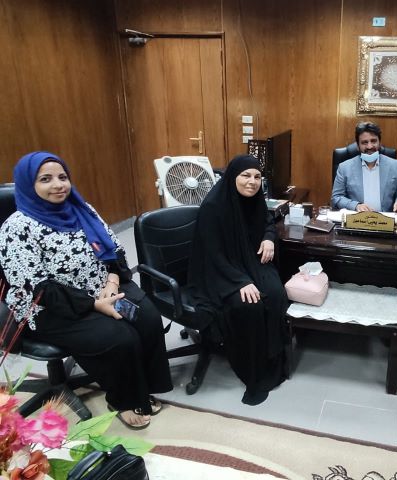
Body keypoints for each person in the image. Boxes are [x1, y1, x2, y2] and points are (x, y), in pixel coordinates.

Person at [0, 151, 172, 429]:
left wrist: (112, 282)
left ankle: (144, 388)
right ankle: (124, 400)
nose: (58, 185)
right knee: (120, 337)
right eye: (45, 179)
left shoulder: (82, 209)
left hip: (102, 285)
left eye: (62, 177)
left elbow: (113, 249)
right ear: (28, 185)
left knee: (148, 318)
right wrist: (94, 304)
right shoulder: (16, 228)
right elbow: (36, 287)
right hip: (49, 306)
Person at [188, 154, 288, 406]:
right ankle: (253, 373)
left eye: (257, 177)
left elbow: (267, 221)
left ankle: (273, 361)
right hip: (221, 271)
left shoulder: (255, 199)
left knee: (276, 294)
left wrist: (268, 238)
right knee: (250, 305)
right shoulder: (213, 207)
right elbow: (213, 254)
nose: (252, 182)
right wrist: (240, 281)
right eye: (246, 175)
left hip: (250, 261)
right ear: (232, 176)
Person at [331, 122, 397, 215]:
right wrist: (356, 206)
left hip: (386, 219)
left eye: (373, 141)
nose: (369, 146)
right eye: (364, 142)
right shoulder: (344, 167)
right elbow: (336, 197)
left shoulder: (395, 165)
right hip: (357, 219)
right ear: (358, 146)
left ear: (379, 142)